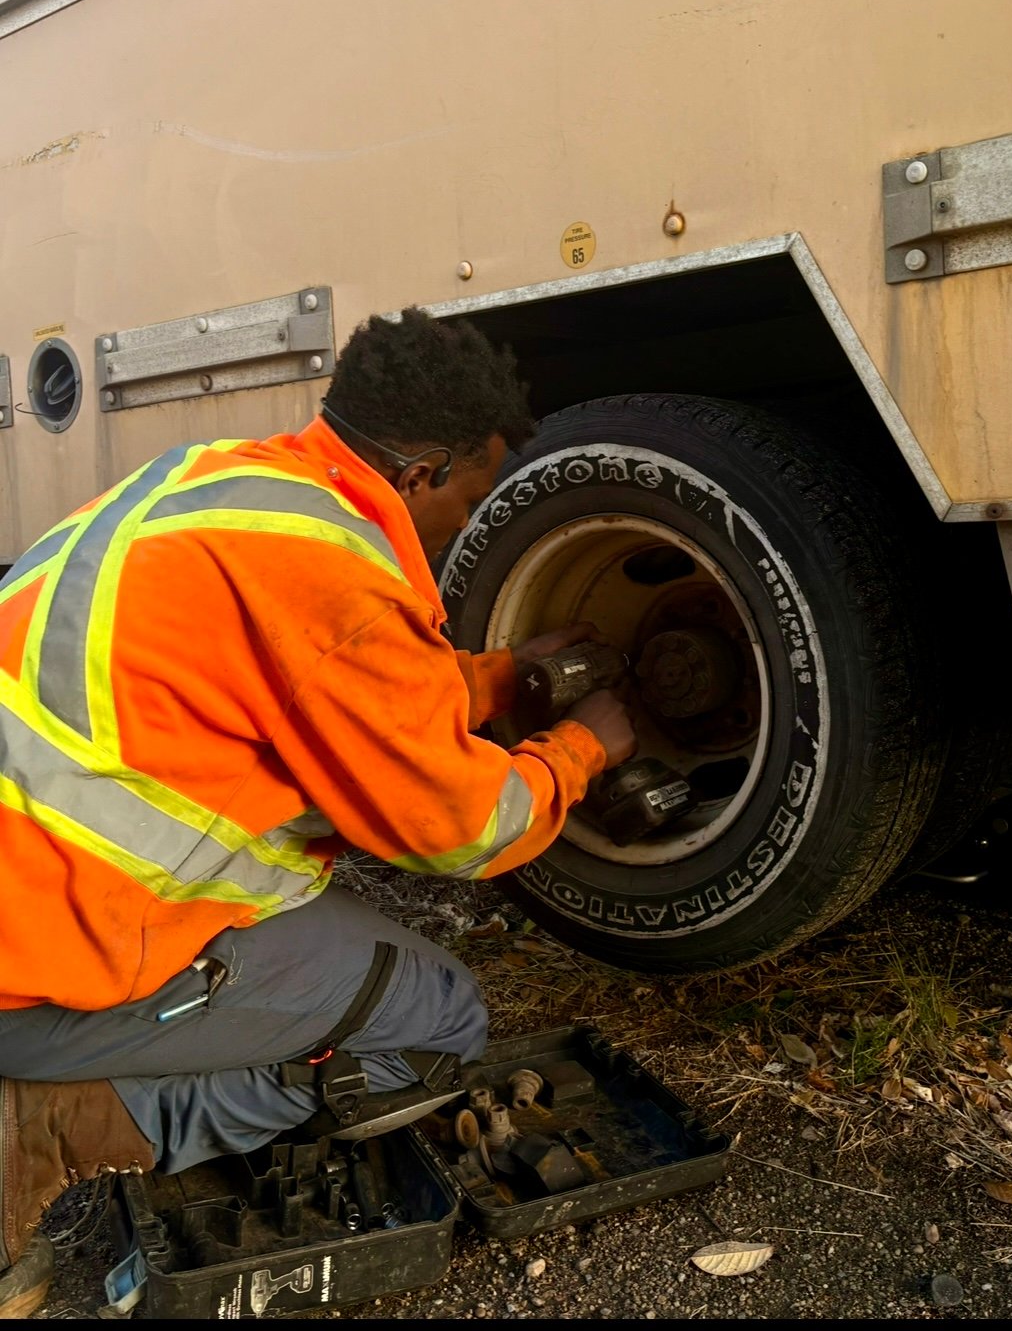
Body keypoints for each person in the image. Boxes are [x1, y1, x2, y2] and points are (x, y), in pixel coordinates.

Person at [0, 305, 635, 1317]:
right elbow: (462, 827)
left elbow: (332, 686)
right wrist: (585, 749)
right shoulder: (336, 582)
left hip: (38, 894)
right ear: (422, 472)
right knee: (435, 1026)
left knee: (364, 965)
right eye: (467, 506)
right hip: (39, 975)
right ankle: (45, 1125)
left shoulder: (229, 485)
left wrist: (503, 681)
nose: (461, 530)